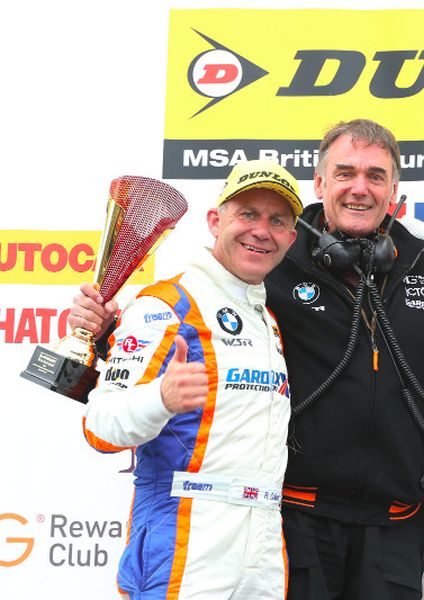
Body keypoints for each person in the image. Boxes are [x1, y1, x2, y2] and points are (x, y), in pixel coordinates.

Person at [73, 120, 424, 599]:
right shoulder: (271, 260)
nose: (359, 188)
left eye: (375, 176)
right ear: (320, 185)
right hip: (294, 519)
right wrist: (102, 337)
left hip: (394, 524)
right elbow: (165, 344)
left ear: (394, 189)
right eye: (344, 173)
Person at [80, 159, 302, 598]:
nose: (262, 230)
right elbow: (100, 427)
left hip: (262, 543)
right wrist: (159, 400)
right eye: (248, 214)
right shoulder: (167, 304)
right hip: (184, 538)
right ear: (216, 221)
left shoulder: (267, 318)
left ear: (291, 239)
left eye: (277, 220)